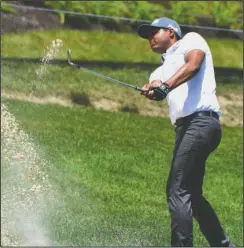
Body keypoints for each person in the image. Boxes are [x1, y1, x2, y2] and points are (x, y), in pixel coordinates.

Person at [137, 17, 235, 247]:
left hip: (201, 124)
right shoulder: (160, 68)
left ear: (171, 32)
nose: (150, 38)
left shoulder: (191, 40)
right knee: (191, 194)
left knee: (177, 189)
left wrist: (164, 87)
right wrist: (151, 89)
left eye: (154, 32)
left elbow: (193, 65)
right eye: (147, 35)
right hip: (186, 129)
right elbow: (156, 82)